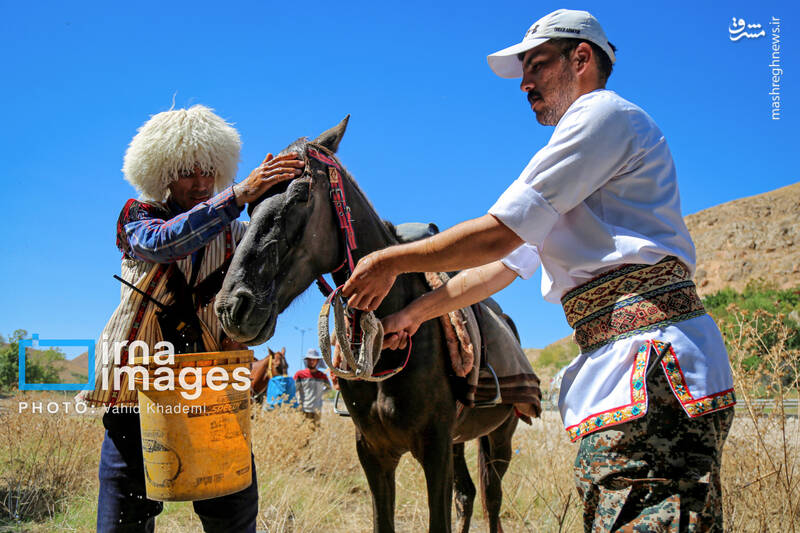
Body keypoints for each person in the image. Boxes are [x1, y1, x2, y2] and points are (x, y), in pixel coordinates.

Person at [341, 9, 735, 532]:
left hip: (651, 365)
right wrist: (412, 315)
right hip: (628, 368)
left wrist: (390, 260)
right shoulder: (578, 155)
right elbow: (499, 268)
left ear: (582, 58)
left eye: (537, 65)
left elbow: (498, 234)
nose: (525, 83)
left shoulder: (602, 117)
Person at [79, 104, 304, 533]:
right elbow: (162, 243)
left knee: (233, 519)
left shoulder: (240, 236)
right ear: (163, 173)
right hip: (139, 391)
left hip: (213, 392)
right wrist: (238, 195)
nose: (201, 183)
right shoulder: (138, 216)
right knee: (123, 522)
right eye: (187, 172)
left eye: (209, 172)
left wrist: (280, 195)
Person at [293, 349, 331, 425]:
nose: (312, 361)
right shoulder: (300, 374)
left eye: (314, 359)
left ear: (318, 361)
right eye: (309, 359)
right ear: (306, 360)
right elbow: (294, 389)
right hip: (303, 409)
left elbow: (329, 388)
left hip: (317, 409)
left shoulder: (322, 376)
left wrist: (320, 394)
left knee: (315, 429)